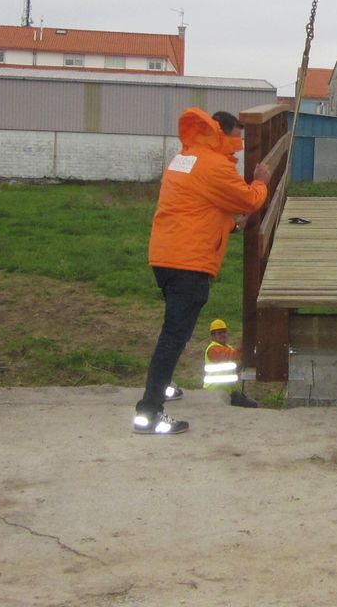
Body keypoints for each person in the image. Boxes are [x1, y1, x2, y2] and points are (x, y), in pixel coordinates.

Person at [132, 109, 270, 435]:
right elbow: (249, 199)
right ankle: (149, 412)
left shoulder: (186, 157)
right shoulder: (215, 166)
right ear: (222, 133)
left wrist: (231, 227)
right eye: (237, 135)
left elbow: (195, 209)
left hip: (165, 258)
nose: (239, 143)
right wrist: (261, 182)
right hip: (189, 266)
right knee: (174, 336)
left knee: (172, 331)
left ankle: (161, 388)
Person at [204, 318, 259, 408]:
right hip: (214, 392)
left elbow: (235, 360)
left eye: (224, 332)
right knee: (251, 406)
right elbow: (233, 355)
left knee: (252, 404)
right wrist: (246, 340)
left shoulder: (227, 347)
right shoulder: (213, 349)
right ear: (213, 336)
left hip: (228, 391)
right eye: (219, 333)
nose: (223, 335)